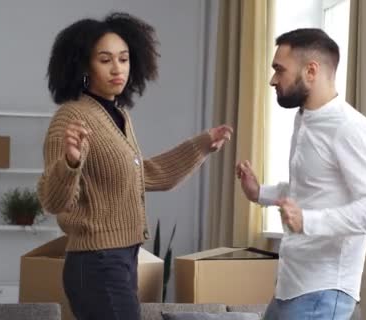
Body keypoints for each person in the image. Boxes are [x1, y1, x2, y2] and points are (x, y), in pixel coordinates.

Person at [37, 12, 233, 320]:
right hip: (97, 262)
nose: (118, 69)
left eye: (124, 58)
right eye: (105, 60)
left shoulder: (118, 116)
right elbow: (54, 200)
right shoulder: (71, 117)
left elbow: (145, 175)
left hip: (122, 258)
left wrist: (202, 145)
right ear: (83, 65)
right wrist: (70, 163)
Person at [236, 28, 366, 320]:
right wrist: (261, 193)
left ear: (311, 71)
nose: (273, 80)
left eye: (279, 70)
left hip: (324, 292)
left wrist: (309, 220)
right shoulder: (304, 120)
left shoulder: (350, 129)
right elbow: (310, 190)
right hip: (290, 286)